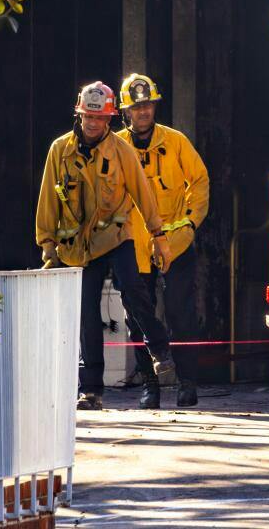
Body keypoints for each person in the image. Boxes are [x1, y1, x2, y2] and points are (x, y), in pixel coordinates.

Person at [36, 81, 176, 411]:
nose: (92, 123)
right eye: (87, 117)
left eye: (99, 119)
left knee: (134, 290)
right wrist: (47, 244)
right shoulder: (60, 151)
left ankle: (160, 349)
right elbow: (49, 198)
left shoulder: (120, 151)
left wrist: (159, 237)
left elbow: (143, 194)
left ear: (110, 119)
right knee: (86, 314)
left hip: (116, 235)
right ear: (79, 114)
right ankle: (92, 390)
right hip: (79, 247)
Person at [117, 72, 211, 409]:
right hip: (133, 245)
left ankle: (187, 383)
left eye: (148, 105)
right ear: (126, 111)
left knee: (180, 313)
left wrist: (189, 223)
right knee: (137, 318)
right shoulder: (116, 147)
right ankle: (150, 387)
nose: (143, 112)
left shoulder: (175, 142)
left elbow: (198, 181)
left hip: (175, 241)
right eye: (136, 106)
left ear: (155, 106)